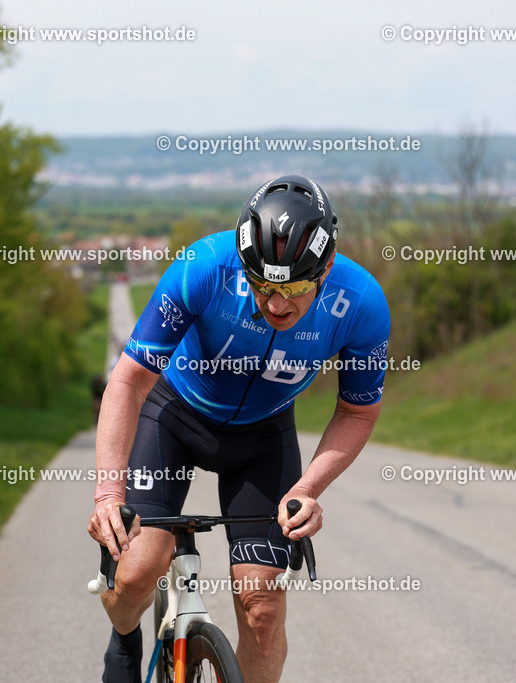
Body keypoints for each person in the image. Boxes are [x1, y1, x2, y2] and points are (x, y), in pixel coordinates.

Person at [87, 175, 390, 683]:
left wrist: (308, 490)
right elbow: (130, 379)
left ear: (327, 267)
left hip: (262, 438)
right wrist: (107, 495)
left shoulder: (361, 303)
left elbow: (357, 412)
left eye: (294, 289)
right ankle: (124, 639)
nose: (276, 304)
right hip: (174, 416)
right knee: (137, 573)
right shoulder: (203, 266)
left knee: (262, 608)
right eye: (262, 285)